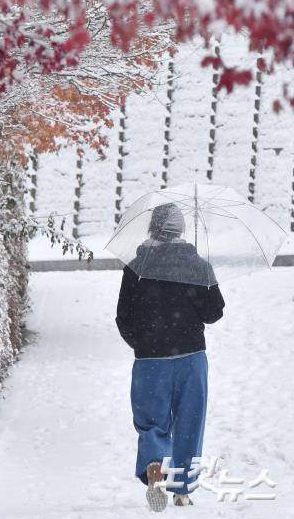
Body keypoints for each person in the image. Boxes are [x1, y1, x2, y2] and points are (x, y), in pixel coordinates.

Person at [115, 203, 225, 511]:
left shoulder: (136, 267)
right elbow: (214, 312)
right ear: (180, 230)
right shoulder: (197, 264)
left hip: (150, 361)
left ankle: (154, 469)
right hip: (191, 359)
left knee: (152, 423)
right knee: (189, 422)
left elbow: (123, 316)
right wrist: (201, 281)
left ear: (152, 229)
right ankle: (182, 491)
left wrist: (144, 344)